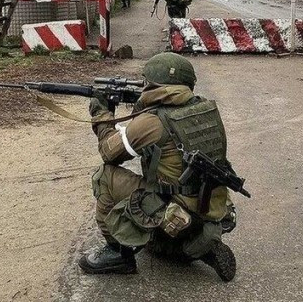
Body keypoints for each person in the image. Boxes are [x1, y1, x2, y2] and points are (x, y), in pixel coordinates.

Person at [78, 52, 238, 282]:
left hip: (175, 213)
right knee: (156, 242)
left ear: (154, 84)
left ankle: (117, 253)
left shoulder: (152, 121)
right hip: (211, 209)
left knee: (105, 176)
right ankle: (198, 247)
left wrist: (101, 111)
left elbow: (109, 152)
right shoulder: (206, 109)